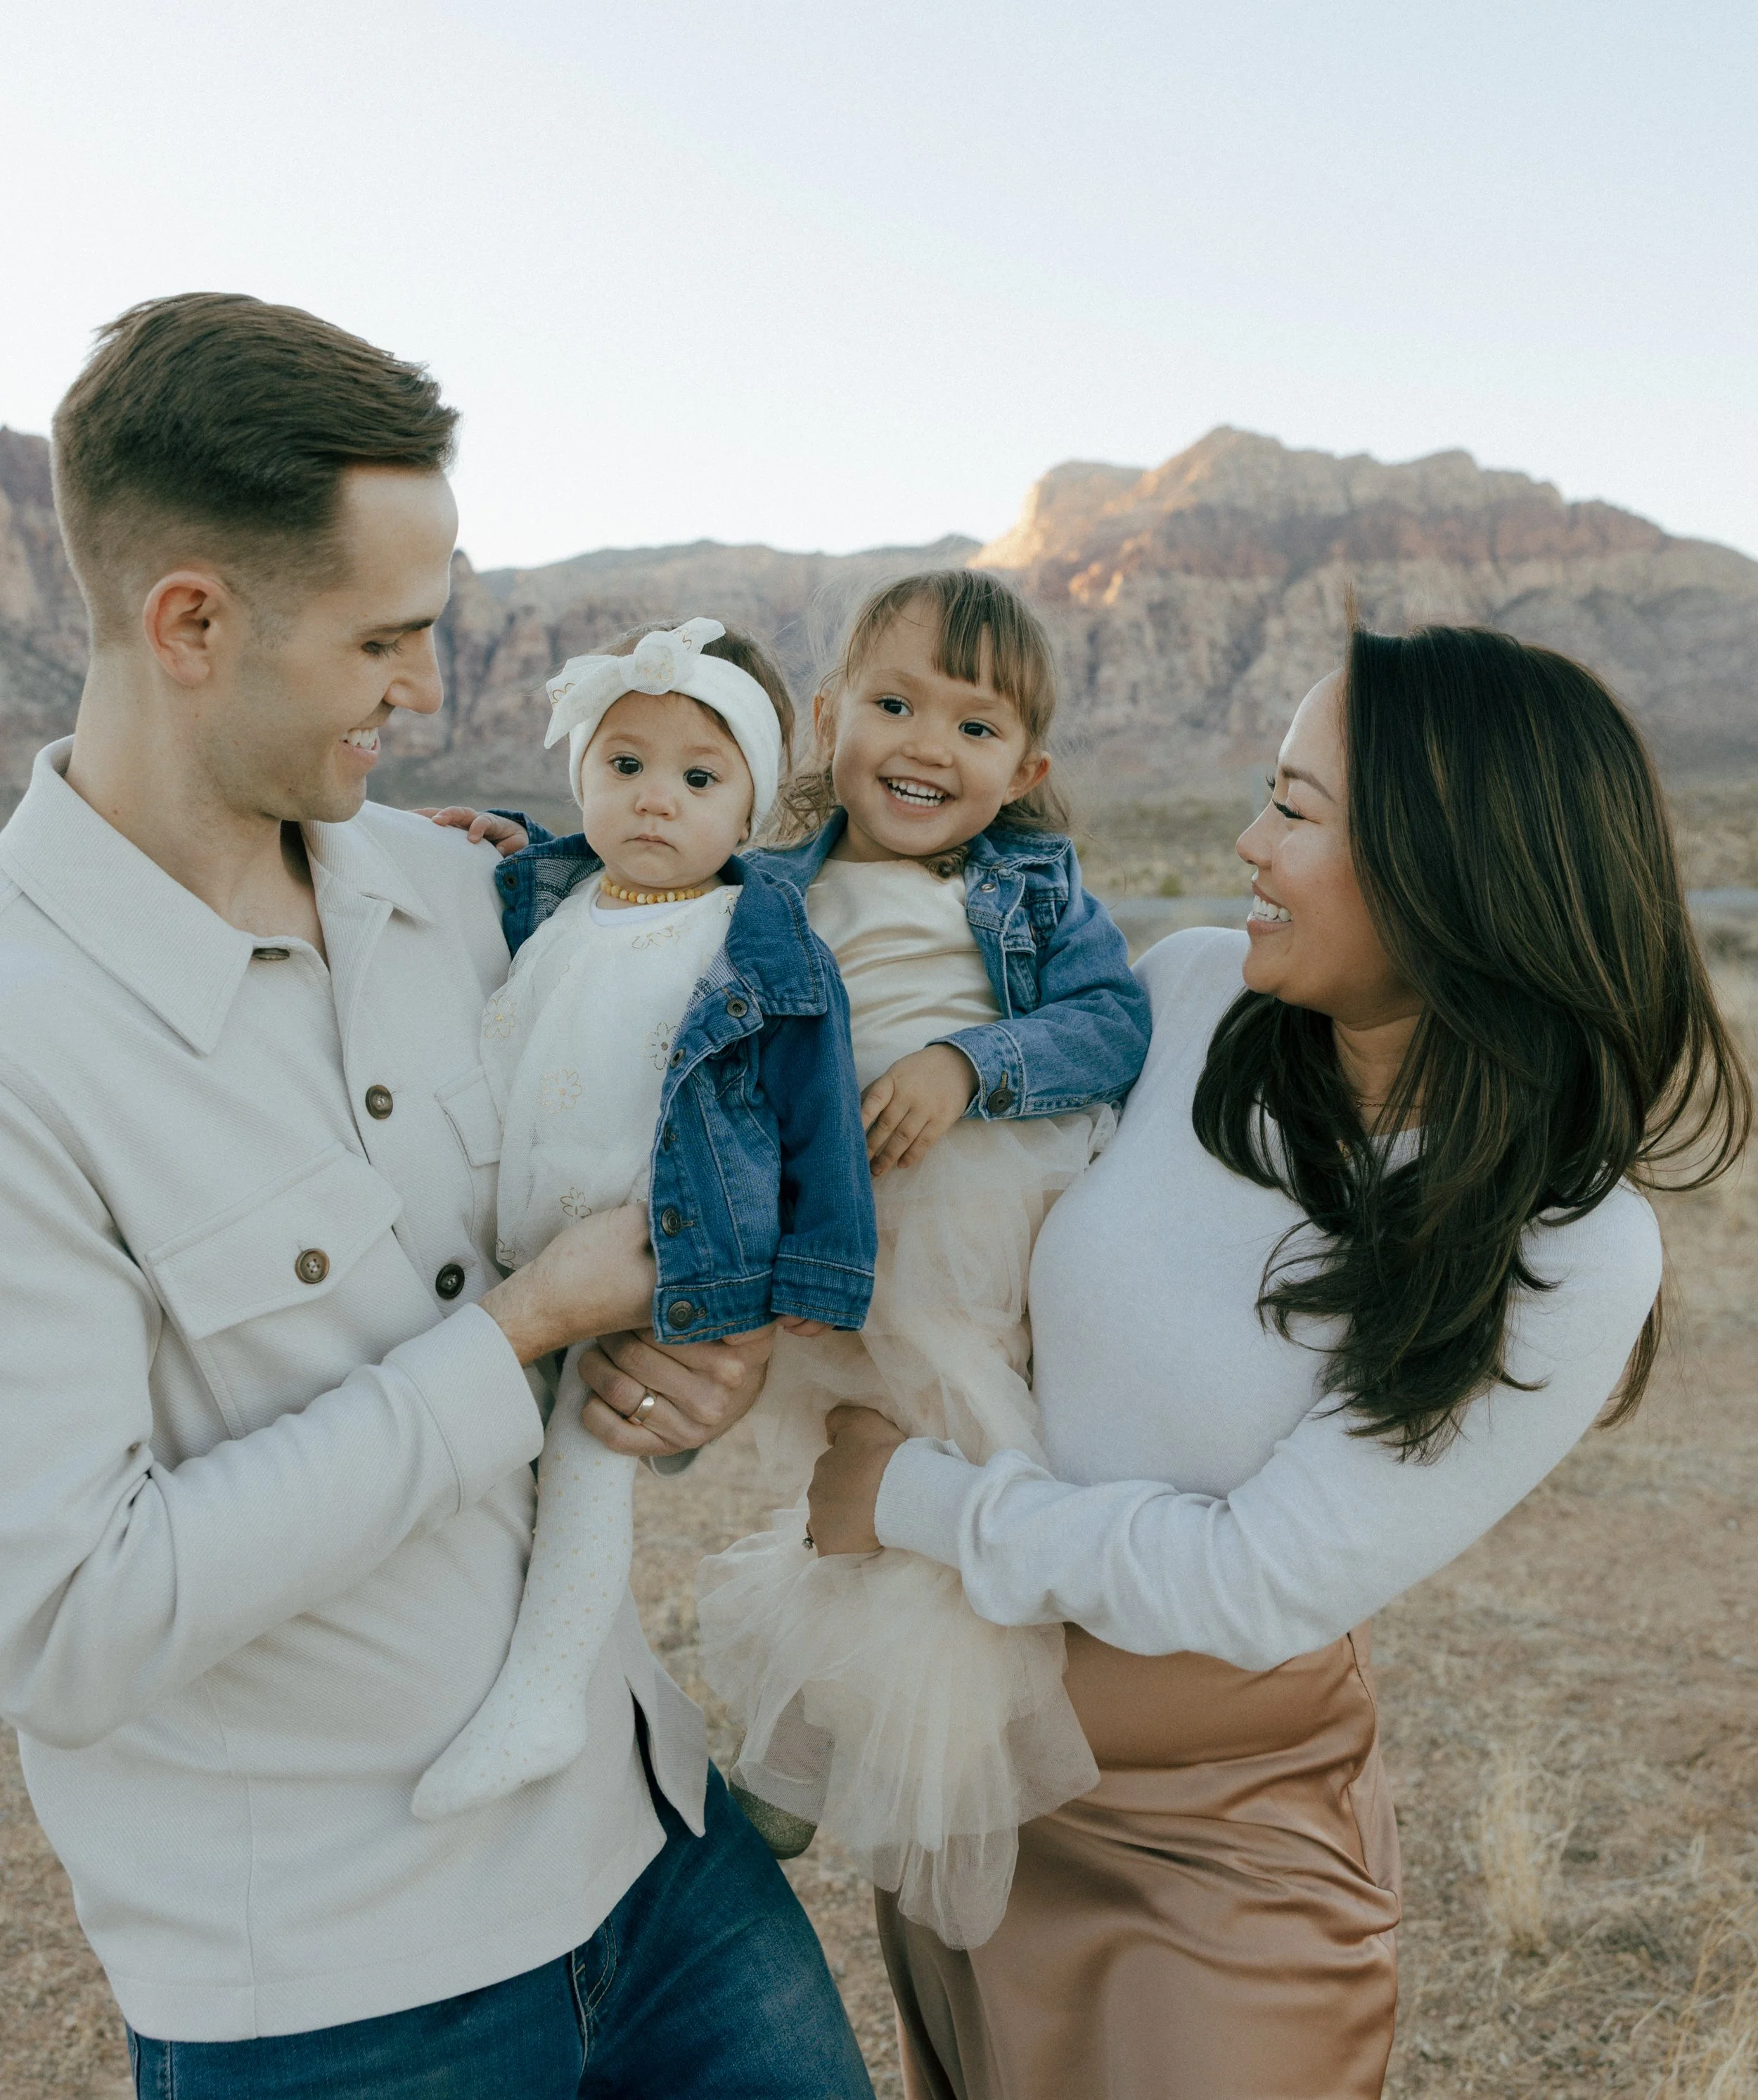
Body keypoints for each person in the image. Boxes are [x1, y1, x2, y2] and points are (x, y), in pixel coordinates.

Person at [0, 292, 873, 2099]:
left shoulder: (468, 897)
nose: (427, 689)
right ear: (190, 623)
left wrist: (678, 1381)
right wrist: (523, 1329)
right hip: (345, 1997)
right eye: (388, 640)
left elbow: (619, 1220)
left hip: (660, 1852)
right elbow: (69, 1624)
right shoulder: (24, 1040)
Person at [807, 624, 1752, 2100]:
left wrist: (910, 1497)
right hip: (972, 1784)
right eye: (1261, 791)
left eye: (1296, 812)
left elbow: (1255, 1579)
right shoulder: (1183, 996)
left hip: (1216, 1853)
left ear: (1451, 871)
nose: (1245, 841)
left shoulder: (1569, 1241)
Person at [691, 569, 1153, 1948]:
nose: (923, 747)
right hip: (824, 1229)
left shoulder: (1029, 888)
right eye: (892, 704)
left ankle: (829, 1753)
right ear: (828, 714)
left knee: (941, 1473)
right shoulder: (764, 882)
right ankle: (812, 1738)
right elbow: (630, 912)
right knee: (861, 1481)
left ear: (1024, 767)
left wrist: (970, 1061)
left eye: (972, 728)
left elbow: (1112, 1021)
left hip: (966, 1193)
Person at [411, 614, 877, 1820]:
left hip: (646, 1253)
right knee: (476, 1432)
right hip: (508, 1246)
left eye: (698, 776)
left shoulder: (755, 944)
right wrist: (479, 853)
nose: (655, 800)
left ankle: (544, 1688)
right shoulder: (554, 902)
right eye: (625, 765)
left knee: (590, 1450)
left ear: (752, 810)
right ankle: (440, 1647)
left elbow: (815, 1115)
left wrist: (816, 1284)